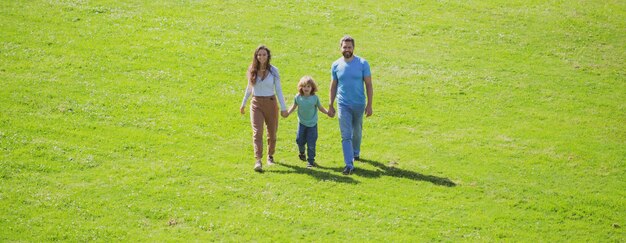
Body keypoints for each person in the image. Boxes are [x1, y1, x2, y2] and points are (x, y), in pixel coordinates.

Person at [327, 35, 374, 175]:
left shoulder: (362, 63)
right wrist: (331, 104)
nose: (347, 49)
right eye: (344, 47)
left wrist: (369, 104)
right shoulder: (336, 65)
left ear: (353, 48)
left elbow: (369, 84)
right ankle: (349, 164)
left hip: (359, 103)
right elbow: (333, 85)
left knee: (357, 131)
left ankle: (356, 152)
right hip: (343, 104)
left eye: (349, 47)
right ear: (340, 48)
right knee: (346, 134)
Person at [240, 45, 289, 172]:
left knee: (272, 133)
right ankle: (258, 160)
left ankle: (270, 156)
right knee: (257, 132)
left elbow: (278, 89)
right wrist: (243, 103)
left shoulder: (274, 71)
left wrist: (284, 108)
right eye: (259, 55)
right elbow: (249, 88)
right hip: (256, 103)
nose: (261, 57)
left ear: (268, 56)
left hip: (271, 102)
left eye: (264, 55)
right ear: (256, 56)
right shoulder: (252, 70)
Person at [285, 76, 328, 168]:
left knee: (311, 143)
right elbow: (293, 106)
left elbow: (320, 108)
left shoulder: (314, 98)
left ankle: (311, 161)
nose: (306, 88)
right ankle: (302, 152)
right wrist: (287, 113)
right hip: (302, 123)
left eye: (308, 86)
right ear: (301, 87)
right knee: (299, 140)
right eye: (304, 86)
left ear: (312, 88)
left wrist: (328, 112)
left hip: (312, 124)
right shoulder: (298, 97)